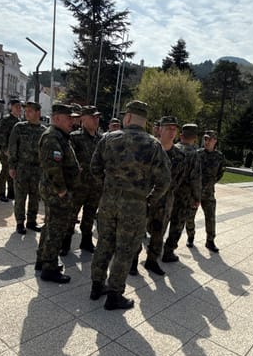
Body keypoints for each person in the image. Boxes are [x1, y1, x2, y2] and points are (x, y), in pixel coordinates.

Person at [90, 100, 171, 310]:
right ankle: (114, 294)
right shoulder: (154, 145)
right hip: (134, 207)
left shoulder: (108, 139)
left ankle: (96, 286)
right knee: (125, 250)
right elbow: (164, 181)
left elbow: (94, 167)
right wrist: (148, 200)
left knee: (104, 244)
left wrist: (107, 188)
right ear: (144, 121)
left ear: (127, 118)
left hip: (108, 203)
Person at [36, 103, 81, 283]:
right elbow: (53, 168)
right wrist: (62, 191)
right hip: (56, 192)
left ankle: (42, 259)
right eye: (68, 118)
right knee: (56, 230)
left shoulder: (61, 136)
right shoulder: (52, 137)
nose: (72, 121)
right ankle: (50, 268)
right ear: (56, 118)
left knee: (50, 226)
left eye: (73, 118)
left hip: (55, 191)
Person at [142, 116, 188, 276]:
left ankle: (152, 261)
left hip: (165, 201)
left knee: (158, 233)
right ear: (159, 129)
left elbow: (178, 180)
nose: (172, 131)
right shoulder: (147, 150)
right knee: (137, 230)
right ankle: (132, 262)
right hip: (144, 198)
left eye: (174, 129)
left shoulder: (180, 156)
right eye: (168, 128)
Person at [162, 123, 202, 263]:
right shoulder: (194, 154)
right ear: (195, 138)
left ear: (181, 135)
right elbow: (195, 179)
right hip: (184, 196)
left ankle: (154, 247)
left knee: (163, 220)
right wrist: (197, 197)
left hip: (167, 192)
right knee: (177, 224)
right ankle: (168, 251)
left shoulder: (173, 149)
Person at [68, 105, 103, 253]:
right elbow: (69, 160)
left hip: (95, 186)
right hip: (78, 186)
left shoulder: (102, 139)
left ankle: (86, 241)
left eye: (97, 117)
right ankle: (65, 242)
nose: (96, 120)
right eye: (92, 117)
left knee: (89, 215)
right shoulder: (75, 137)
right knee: (71, 215)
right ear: (83, 118)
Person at [8, 99, 45, 234]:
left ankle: (31, 221)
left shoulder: (44, 130)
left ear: (38, 112)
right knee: (20, 197)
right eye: (26, 111)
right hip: (21, 168)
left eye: (30, 111)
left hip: (37, 169)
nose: (26, 113)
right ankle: (19, 222)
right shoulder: (19, 127)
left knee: (35, 196)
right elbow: (12, 147)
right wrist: (12, 166)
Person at [186, 129, 225, 252]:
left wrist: (210, 183)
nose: (206, 141)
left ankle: (210, 241)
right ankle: (190, 236)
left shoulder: (219, 156)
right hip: (195, 193)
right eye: (205, 139)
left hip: (209, 193)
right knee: (190, 217)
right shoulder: (197, 154)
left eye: (209, 139)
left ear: (215, 141)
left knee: (211, 217)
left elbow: (220, 173)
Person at [0, 98, 22, 201]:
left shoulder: (19, 121)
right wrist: (5, 149)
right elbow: (2, 135)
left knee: (13, 172)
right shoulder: (6, 120)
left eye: (20, 107)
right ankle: (1, 193)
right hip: (7, 151)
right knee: (5, 171)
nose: (19, 109)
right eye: (16, 106)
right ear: (11, 107)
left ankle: (11, 192)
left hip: (16, 152)